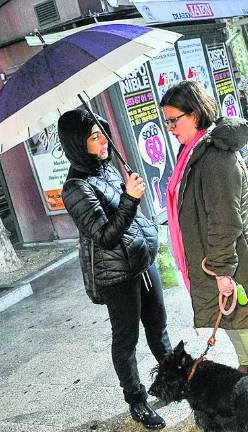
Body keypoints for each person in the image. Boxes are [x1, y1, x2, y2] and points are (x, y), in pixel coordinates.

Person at [160, 80, 248, 392]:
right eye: (166, 121)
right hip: (216, 257)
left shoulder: (215, 158)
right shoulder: (193, 152)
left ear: (194, 115)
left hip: (231, 256)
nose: (170, 128)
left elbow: (224, 220)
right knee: (231, 318)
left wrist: (221, 268)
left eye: (173, 120)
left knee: (245, 319)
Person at [59, 109, 172, 429]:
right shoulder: (75, 187)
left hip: (140, 262)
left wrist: (131, 197)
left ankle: (171, 378)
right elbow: (106, 237)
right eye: (93, 137)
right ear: (78, 144)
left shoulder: (106, 170)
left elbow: (128, 217)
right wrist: (130, 198)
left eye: (103, 134)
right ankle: (136, 401)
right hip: (115, 274)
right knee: (126, 340)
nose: (103, 142)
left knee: (158, 325)